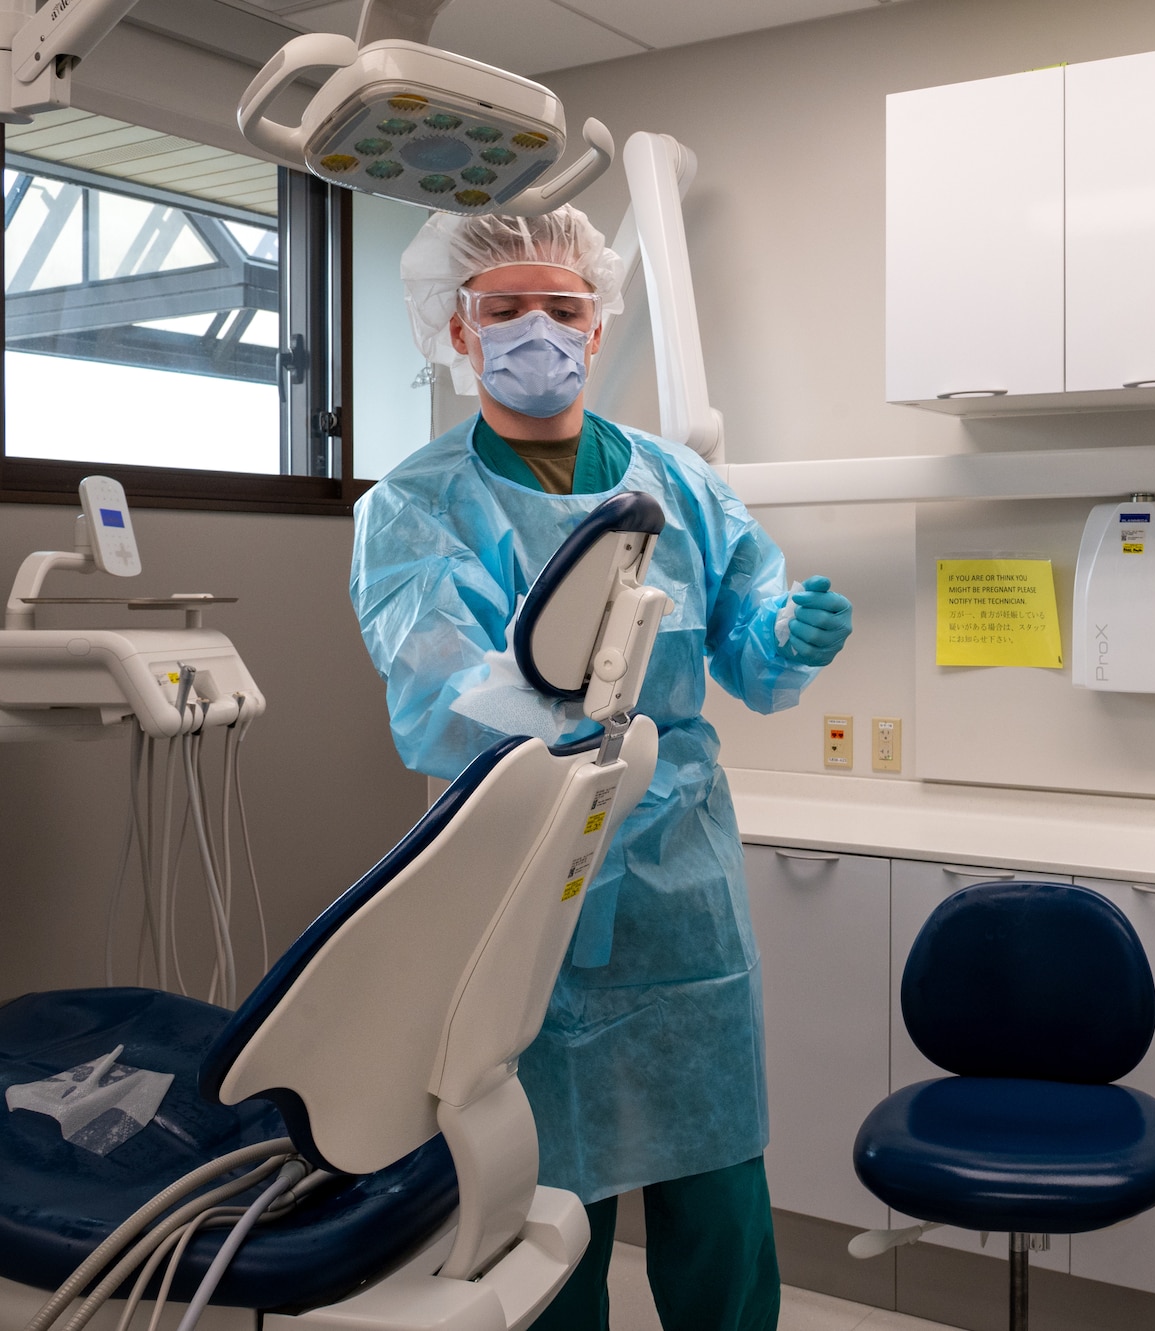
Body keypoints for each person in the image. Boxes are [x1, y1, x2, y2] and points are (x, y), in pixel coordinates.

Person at [348, 206, 852, 1331]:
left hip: (679, 875)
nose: (538, 329)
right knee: (545, 1201)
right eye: (505, 308)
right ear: (456, 329)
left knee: (716, 1187)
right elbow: (441, 693)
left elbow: (743, 626)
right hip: (518, 871)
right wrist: (570, 678)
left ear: (597, 319)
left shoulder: (679, 483)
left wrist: (784, 634)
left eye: (562, 307)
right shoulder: (416, 509)